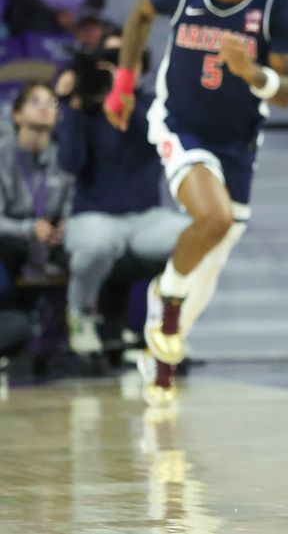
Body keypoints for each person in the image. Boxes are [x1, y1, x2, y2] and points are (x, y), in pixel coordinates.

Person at [105, 0, 288, 406]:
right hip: (179, 123)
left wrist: (251, 72)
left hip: (238, 140)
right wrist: (124, 85)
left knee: (211, 262)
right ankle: (165, 299)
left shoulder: (280, 4)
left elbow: (287, 93)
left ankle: (162, 348)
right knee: (211, 220)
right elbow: (138, 16)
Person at [56, 30, 190, 357]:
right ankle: (81, 313)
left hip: (146, 219)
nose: (116, 68)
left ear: (140, 67)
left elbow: (159, 139)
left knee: (198, 237)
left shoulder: (154, 105)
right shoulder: (86, 111)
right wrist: (71, 106)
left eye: (124, 61)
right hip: (95, 216)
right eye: (110, 60)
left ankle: (166, 323)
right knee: (98, 242)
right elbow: (70, 163)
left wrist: (123, 91)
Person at [0, 83, 74, 290]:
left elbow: (74, 202)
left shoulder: (65, 156)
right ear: (17, 115)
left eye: (52, 103)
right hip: (10, 242)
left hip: (53, 242)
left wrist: (67, 225)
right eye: (35, 101)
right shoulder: (3, 154)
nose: (45, 107)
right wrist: (29, 228)